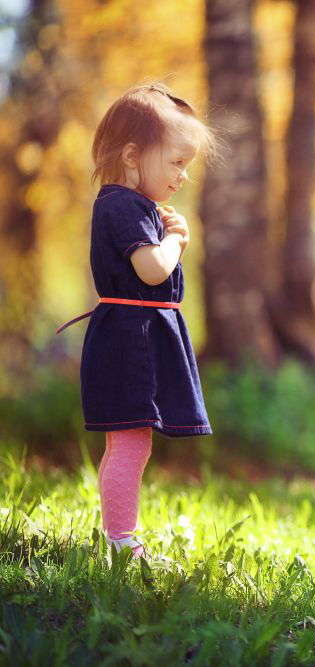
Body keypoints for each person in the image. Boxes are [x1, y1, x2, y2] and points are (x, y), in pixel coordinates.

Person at [59, 83, 217, 558]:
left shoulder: (125, 204)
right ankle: (122, 541)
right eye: (176, 162)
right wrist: (176, 244)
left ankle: (118, 536)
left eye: (186, 166)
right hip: (133, 339)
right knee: (131, 443)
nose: (182, 176)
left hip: (131, 333)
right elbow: (150, 269)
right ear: (132, 155)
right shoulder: (124, 205)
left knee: (127, 441)